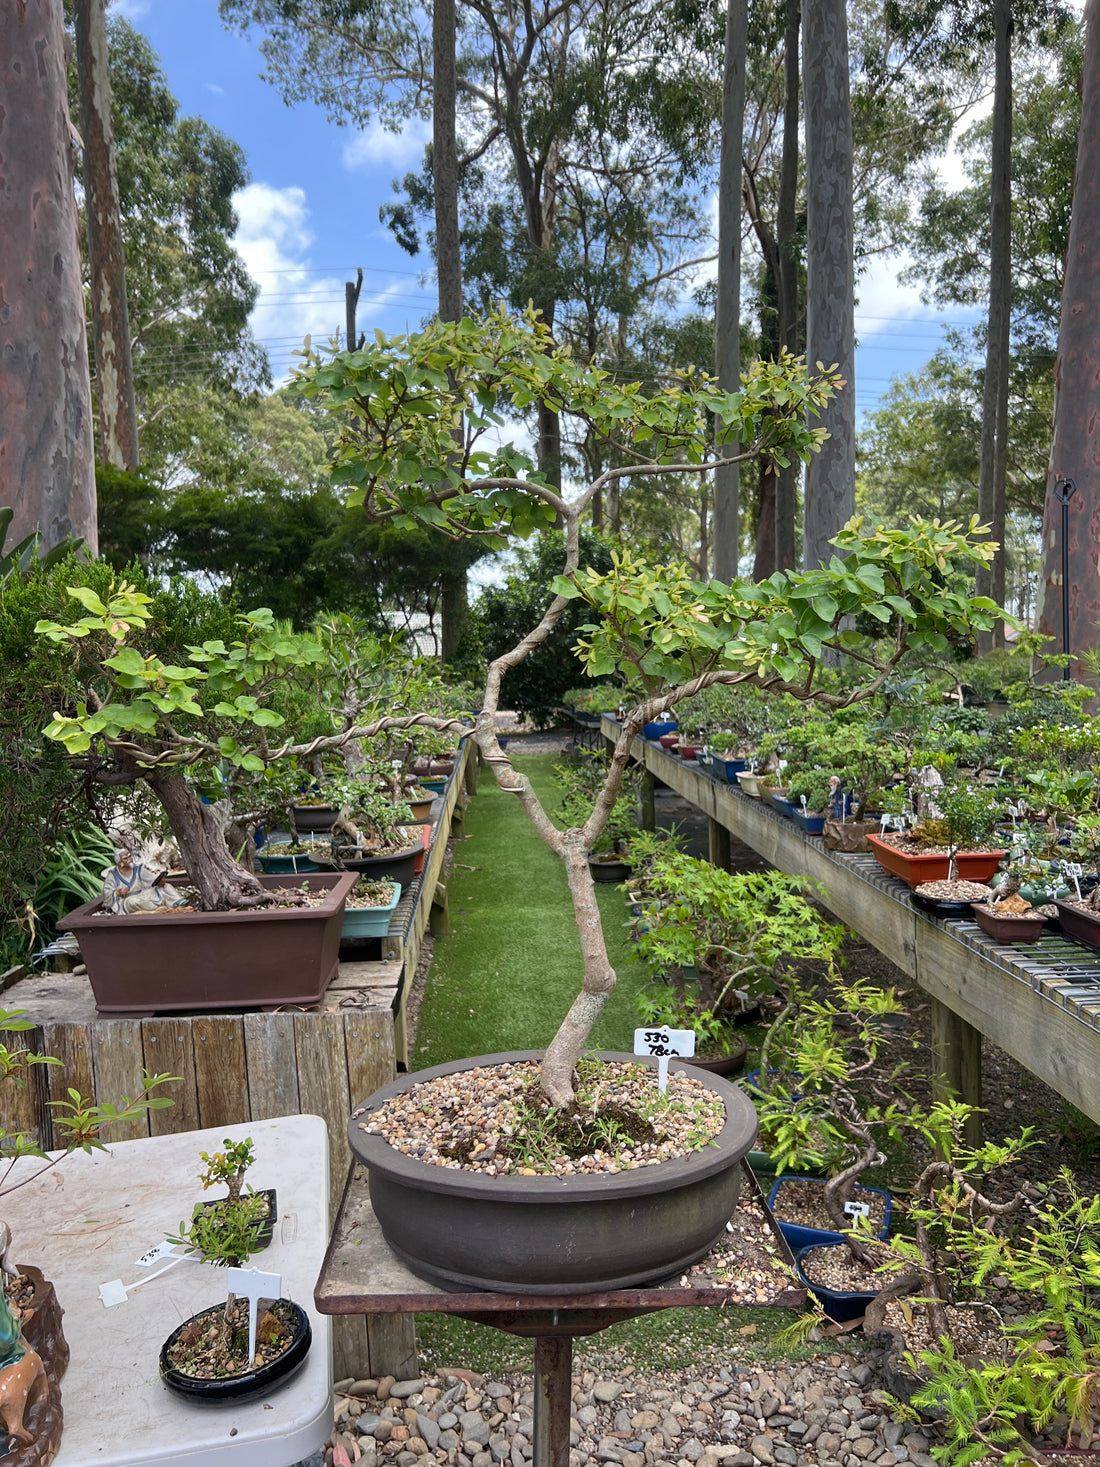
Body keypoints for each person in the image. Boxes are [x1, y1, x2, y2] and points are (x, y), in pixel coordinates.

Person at [101, 848, 186, 915]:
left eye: (130, 856)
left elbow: (152, 879)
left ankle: (179, 902)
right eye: (125, 858)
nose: (130, 859)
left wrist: (160, 881)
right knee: (132, 902)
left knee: (166, 887)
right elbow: (107, 895)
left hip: (145, 894)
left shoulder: (138, 869)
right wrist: (118, 892)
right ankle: (156, 909)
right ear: (119, 862)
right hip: (129, 898)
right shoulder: (112, 876)